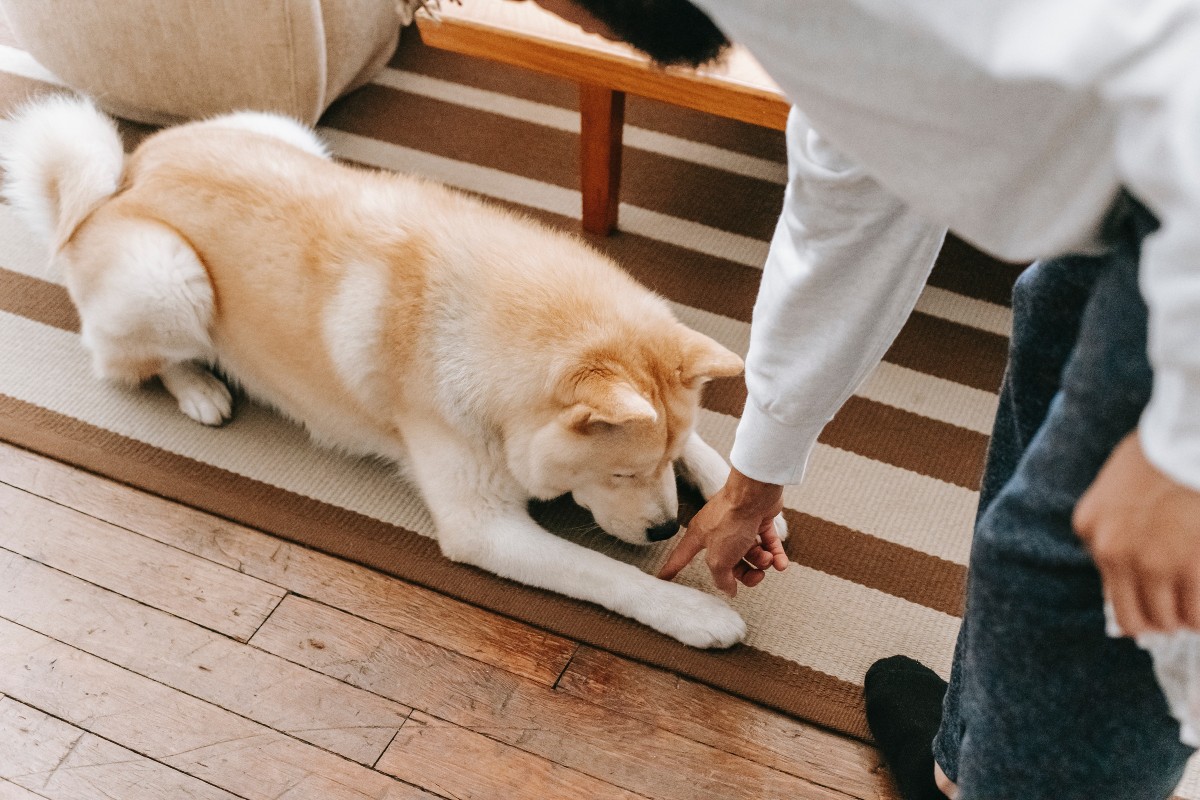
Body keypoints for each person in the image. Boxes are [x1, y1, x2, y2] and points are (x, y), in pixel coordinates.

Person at [527, 1, 1200, 798]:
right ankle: (961, 767)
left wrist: (1179, 449)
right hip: (1135, 187)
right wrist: (755, 479)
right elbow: (850, 193)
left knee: (1077, 585)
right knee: (1049, 329)